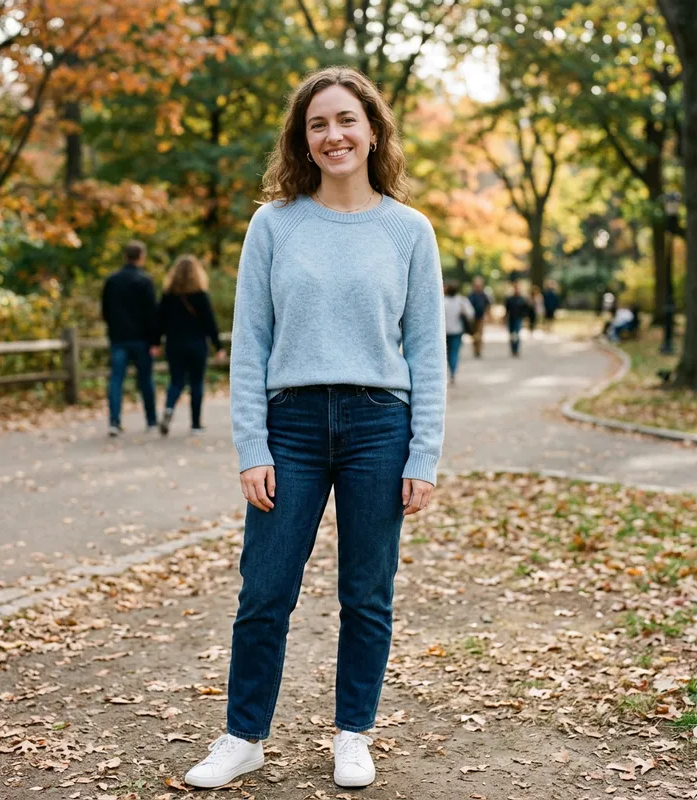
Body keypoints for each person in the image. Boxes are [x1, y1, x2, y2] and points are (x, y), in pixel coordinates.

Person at [183, 67, 446, 791]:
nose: (334, 135)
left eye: (346, 120)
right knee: (264, 588)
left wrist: (424, 453)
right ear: (304, 140)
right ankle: (243, 736)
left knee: (367, 592)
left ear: (372, 130)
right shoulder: (273, 225)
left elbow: (427, 351)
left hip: (377, 426)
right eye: (318, 125)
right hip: (290, 425)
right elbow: (250, 344)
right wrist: (251, 446)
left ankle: (353, 733)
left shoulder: (409, 231)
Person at [157, 255, 226, 435]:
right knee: (196, 383)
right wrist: (218, 347)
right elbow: (210, 323)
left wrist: (155, 342)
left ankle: (169, 409)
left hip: (174, 345)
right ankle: (195, 425)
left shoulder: (168, 296)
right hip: (197, 345)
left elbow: (159, 322)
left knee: (176, 380)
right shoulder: (201, 296)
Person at [102, 240, 160, 436]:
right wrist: (155, 341)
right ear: (141, 257)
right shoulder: (144, 281)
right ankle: (151, 420)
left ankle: (114, 421)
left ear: (125, 256)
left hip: (119, 338)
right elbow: (152, 314)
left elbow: (105, 310)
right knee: (145, 380)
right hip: (141, 340)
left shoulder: (112, 281)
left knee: (116, 381)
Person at [443, 281, 475, 385]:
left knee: (445, 353)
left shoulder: (442, 301)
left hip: (444, 332)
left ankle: (447, 372)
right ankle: (453, 372)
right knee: (454, 352)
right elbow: (471, 313)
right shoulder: (461, 301)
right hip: (457, 331)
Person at [467, 276, 491, 358]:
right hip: (473, 318)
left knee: (480, 334)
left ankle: (479, 350)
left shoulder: (484, 295)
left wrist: (488, 314)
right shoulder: (471, 295)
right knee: (474, 335)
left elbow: (488, 305)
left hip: (480, 317)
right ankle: (475, 348)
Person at [504, 281, 529, 357]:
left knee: (517, 334)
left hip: (518, 319)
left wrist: (525, 318)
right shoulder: (509, 299)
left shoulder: (522, 299)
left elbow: (525, 310)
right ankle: (513, 349)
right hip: (511, 319)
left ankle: (516, 350)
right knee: (512, 335)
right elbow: (507, 309)